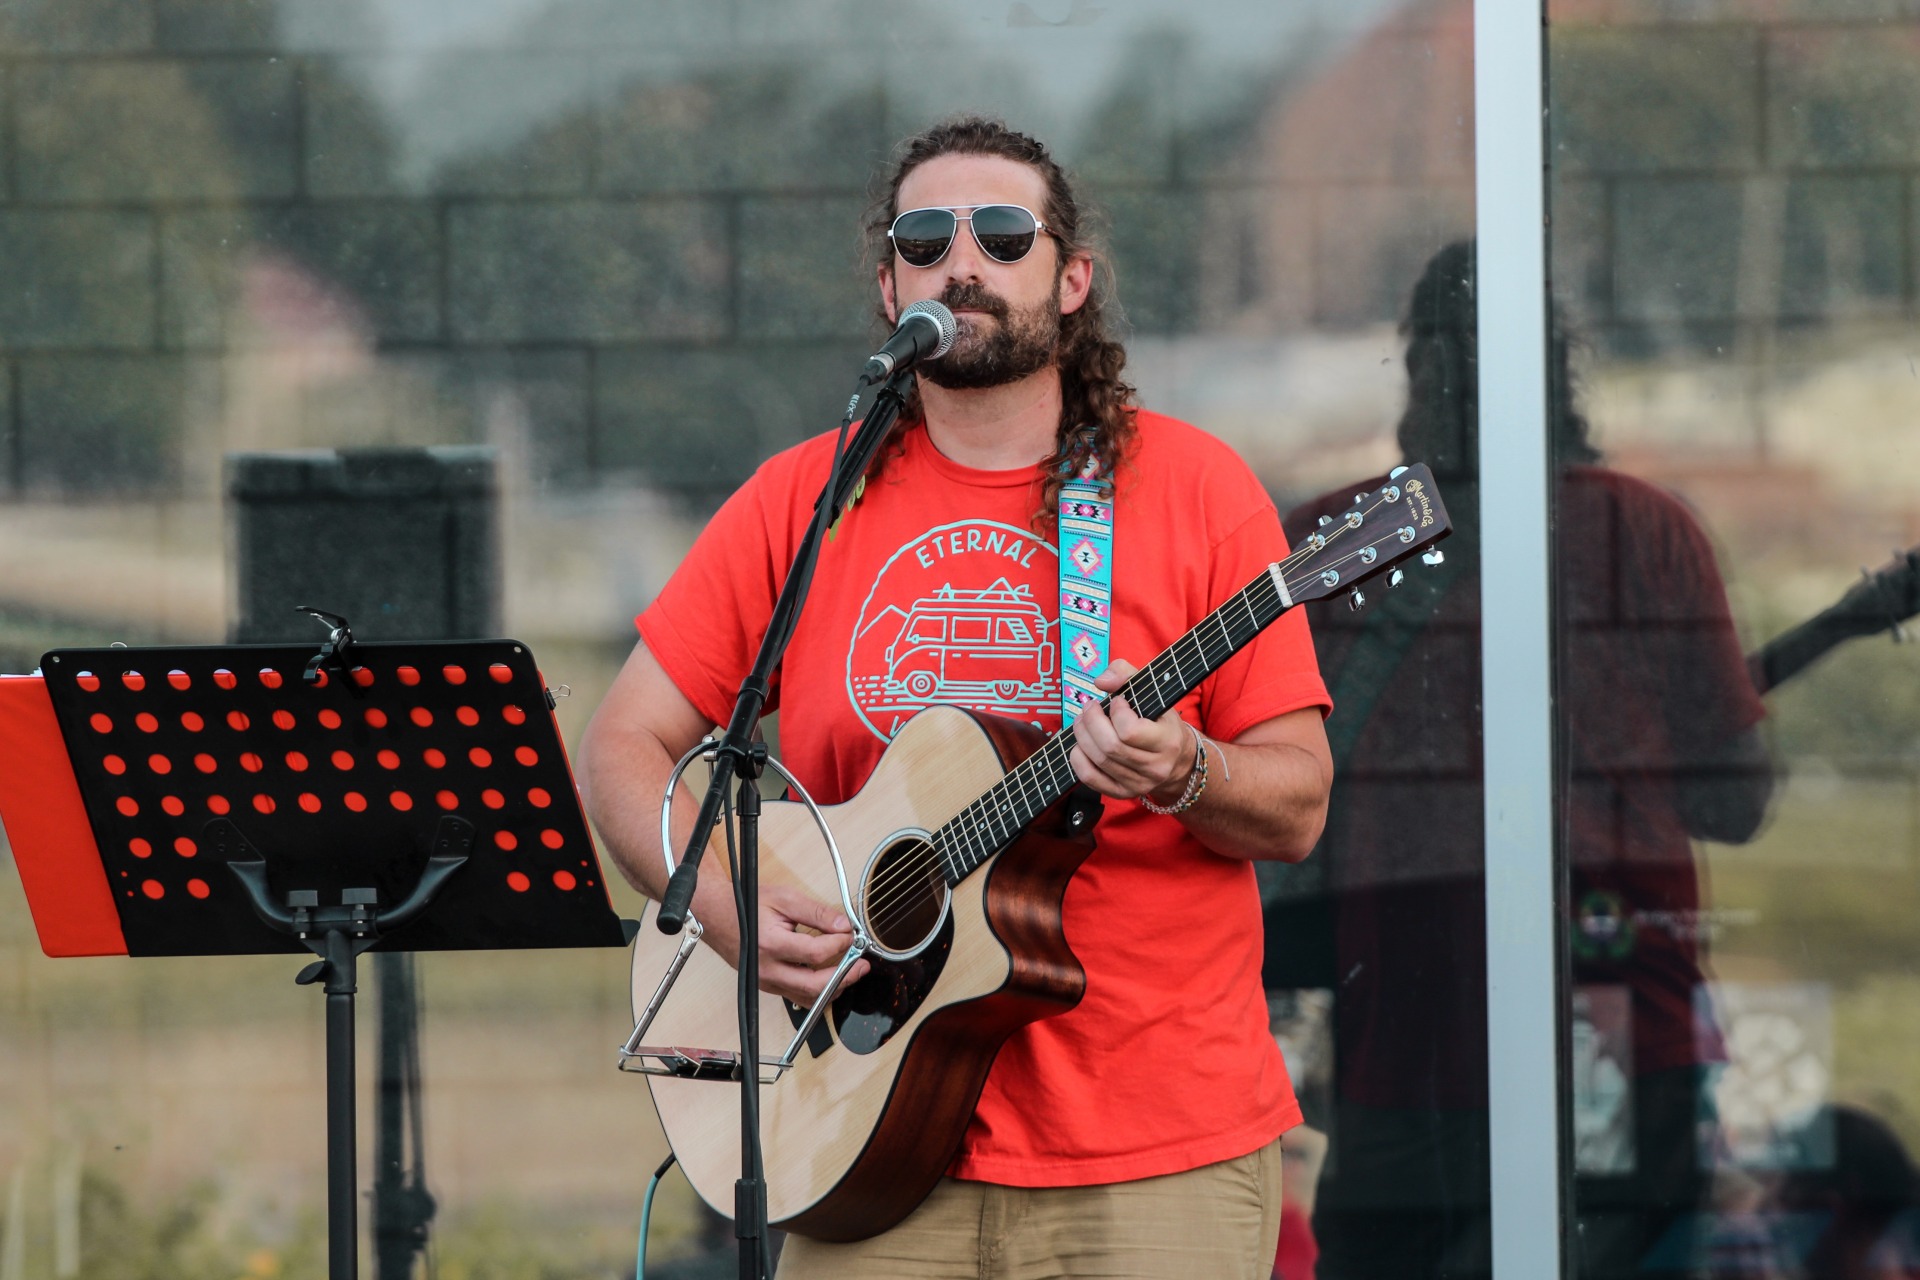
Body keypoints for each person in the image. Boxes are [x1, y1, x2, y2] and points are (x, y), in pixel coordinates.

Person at [578, 117, 1335, 1279]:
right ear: (890, 288)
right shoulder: (805, 498)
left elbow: (1296, 804)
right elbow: (626, 743)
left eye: (1003, 233)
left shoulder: (1196, 490)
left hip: (1151, 1153)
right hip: (861, 1134)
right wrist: (720, 905)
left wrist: (1186, 769)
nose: (961, 263)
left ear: (1071, 280)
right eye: (925, 239)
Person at [1273, 240, 1773, 1280]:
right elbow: (1736, 799)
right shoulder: (1647, 528)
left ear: (1414, 373)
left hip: (1408, 1030)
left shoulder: (1340, 539)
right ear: (1557, 366)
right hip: (1601, 1022)